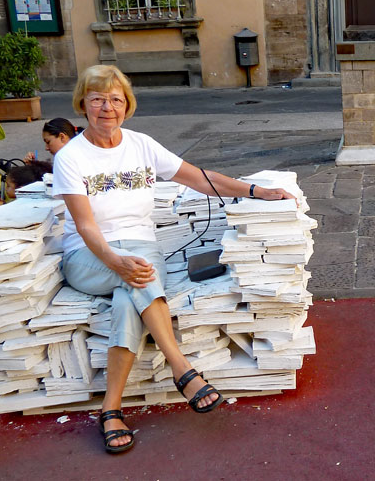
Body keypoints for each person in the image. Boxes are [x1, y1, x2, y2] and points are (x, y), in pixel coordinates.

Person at [52, 65, 295, 454]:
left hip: (142, 248)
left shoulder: (141, 145)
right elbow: (85, 227)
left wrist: (256, 190)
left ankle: (110, 410)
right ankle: (182, 368)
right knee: (137, 280)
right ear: (83, 103)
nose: (106, 108)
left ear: (127, 105)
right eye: (97, 99)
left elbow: (199, 178)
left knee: (128, 299)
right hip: (88, 256)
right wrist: (115, 261)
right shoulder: (71, 157)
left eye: (115, 99)